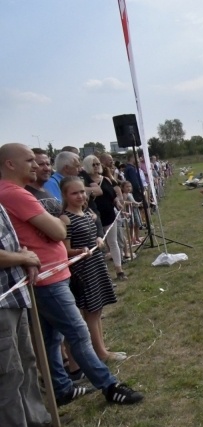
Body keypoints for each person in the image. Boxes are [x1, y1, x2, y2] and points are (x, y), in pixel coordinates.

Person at [0, 143, 143, 406]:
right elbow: (58, 232)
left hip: (49, 273)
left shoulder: (15, 192)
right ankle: (110, 386)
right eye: (30, 160)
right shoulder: (16, 194)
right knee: (78, 332)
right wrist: (57, 223)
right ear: (10, 164)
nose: (36, 164)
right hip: (47, 278)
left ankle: (62, 388)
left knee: (51, 338)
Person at [0, 204, 58, 427]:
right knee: (8, 373)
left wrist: (23, 256)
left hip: (13, 294)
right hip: (2, 303)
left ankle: (36, 418)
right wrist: (24, 259)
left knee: (26, 360)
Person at [60, 177, 125, 364]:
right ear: (65, 195)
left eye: (82, 191)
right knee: (91, 311)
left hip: (96, 265)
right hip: (83, 270)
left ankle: (101, 348)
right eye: (74, 193)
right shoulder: (65, 219)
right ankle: (100, 353)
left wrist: (98, 239)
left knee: (98, 310)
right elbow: (65, 250)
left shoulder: (87, 213)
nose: (80, 196)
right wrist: (80, 251)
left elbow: (93, 234)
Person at [84, 155, 126, 280]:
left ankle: (119, 270)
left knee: (113, 242)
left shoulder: (106, 179)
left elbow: (112, 195)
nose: (97, 166)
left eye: (98, 164)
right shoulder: (84, 182)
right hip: (94, 217)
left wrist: (117, 202)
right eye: (93, 164)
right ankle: (104, 275)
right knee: (99, 246)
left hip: (109, 215)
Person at [25, 149, 61, 217]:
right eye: (41, 164)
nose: (46, 168)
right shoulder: (25, 194)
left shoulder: (47, 191)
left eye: (48, 164)